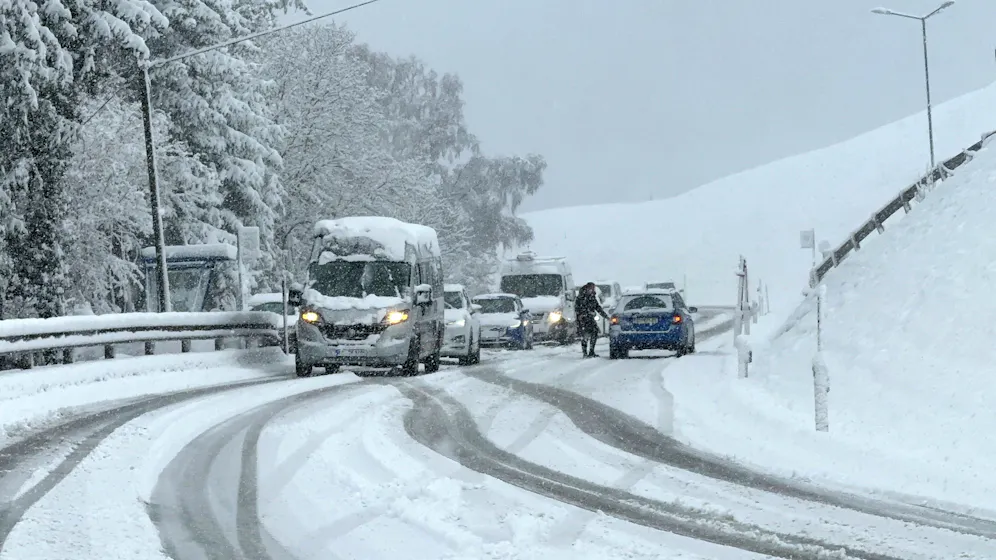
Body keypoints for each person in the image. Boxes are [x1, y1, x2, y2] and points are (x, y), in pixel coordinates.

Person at [575, 282, 609, 358]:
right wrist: (584, 313)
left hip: (590, 318)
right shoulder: (581, 297)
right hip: (582, 319)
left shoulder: (592, 297)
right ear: (587, 288)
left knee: (594, 332)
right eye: (591, 288)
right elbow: (577, 309)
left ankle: (591, 351)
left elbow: (598, 307)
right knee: (585, 335)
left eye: (593, 288)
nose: (592, 290)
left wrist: (605, 316)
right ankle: (585, 352)